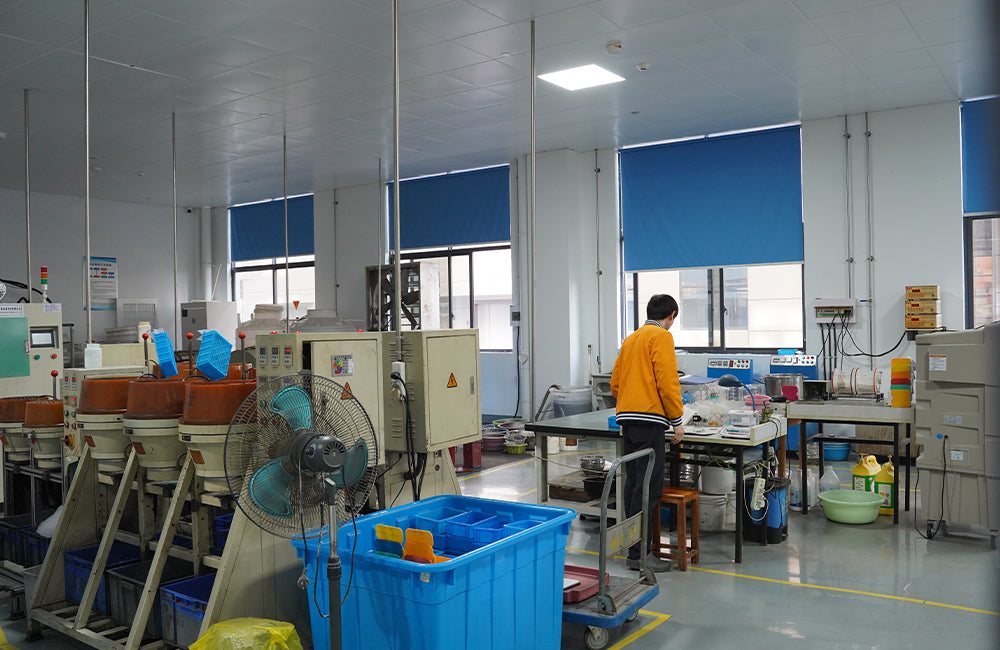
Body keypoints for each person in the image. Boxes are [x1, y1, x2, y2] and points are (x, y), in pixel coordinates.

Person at [610, 294, 685, 572]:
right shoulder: (661, 336)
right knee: (648, 488)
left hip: (628, 421)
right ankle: (640, 555)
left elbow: (615, 383)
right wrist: (677, 420)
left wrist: (632, 400)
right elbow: (667, 382)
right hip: (650, 422)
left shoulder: (631, 339)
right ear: (671, 316)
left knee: (633, 485)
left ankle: (632, 551)